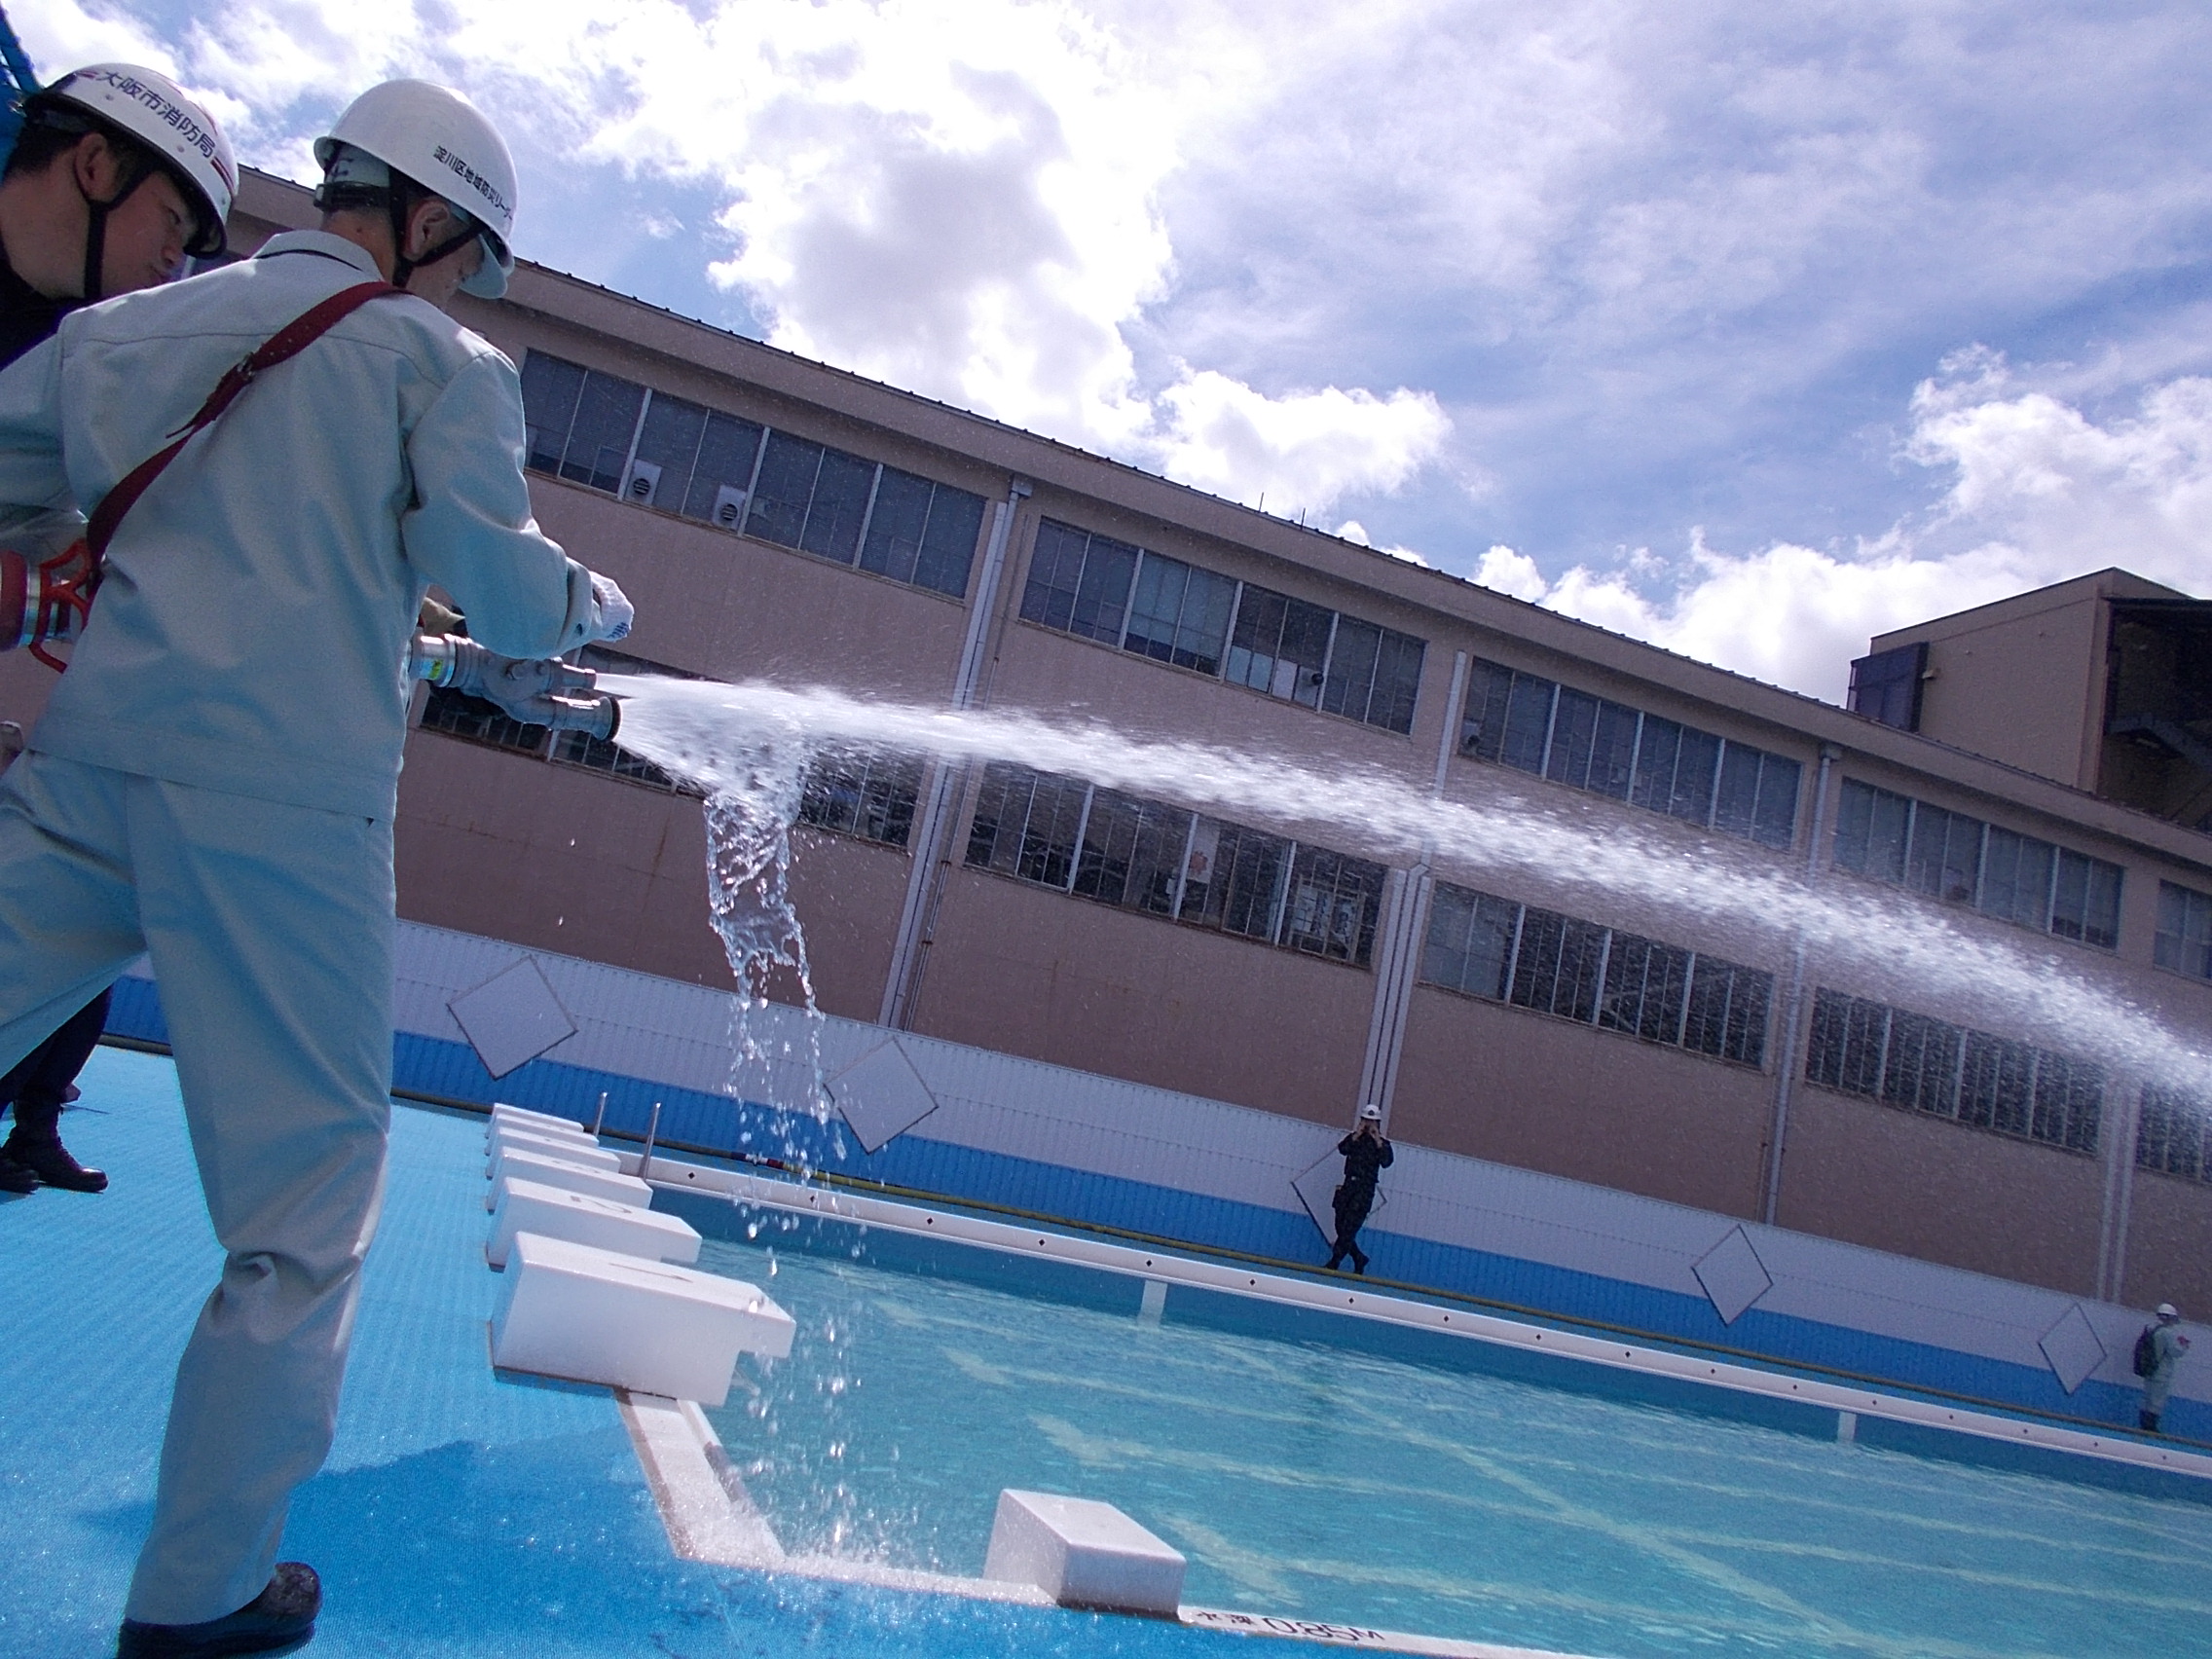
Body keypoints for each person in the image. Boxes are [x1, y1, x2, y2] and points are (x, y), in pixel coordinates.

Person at [0, 77, 632, 1658]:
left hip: (88, 761)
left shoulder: (130, 331)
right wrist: (590, 604)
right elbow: (495, 582)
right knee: (297, 1225)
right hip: (284, 812)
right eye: (476, 256)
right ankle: (201, 1588)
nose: (473, 288)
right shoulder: (438, 362)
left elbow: (19, 494)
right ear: (425, 221)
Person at [0, 63, 235, 1198]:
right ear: (95, 167)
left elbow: (53, 512)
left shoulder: (66, 352)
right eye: (173, 224)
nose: (174, 266)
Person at [1325, 1102, 1394, 1274]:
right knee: (1340, 1224)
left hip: (1364, 1190)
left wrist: (1377, 1139)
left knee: (1350, 1227)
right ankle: (1358, 1257)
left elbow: (1387, 1162)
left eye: (1372, 1121)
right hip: (1349, 1185)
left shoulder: (1382, 1144)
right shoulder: (1354, 1139)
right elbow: (1342, 1149)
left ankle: (1335, 1261)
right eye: (1366, 1120)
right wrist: (1356, 1134)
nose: (1368, 1124)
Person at [2137, 1303, 2192, 1434]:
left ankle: (2144, 1423)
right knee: (2157, 1401)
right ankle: (2150, 1427)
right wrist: (2184, 1345)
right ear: (2168, 1317)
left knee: (2147, 1398)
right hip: (2161, 1372)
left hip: (2149, 1370)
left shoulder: (2151, 1329)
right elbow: (2175, 1352)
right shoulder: (2166, 1333)